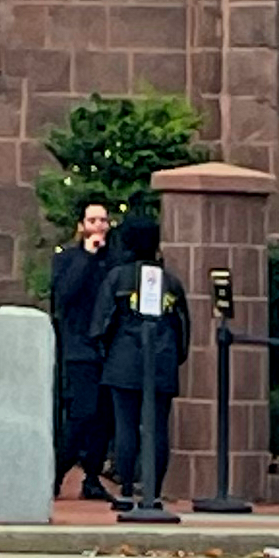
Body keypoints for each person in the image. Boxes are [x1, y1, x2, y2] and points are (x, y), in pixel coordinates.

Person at [95, 208, 187, 511]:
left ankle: (125, 491)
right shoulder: (170, 282)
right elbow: (183, 328)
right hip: (162, 361)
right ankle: (154, 492)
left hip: (124, 360)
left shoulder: (117, 278)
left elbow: (102, 324)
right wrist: (174, 358)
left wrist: (107, 354)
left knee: (126, 426)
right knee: (158, 428)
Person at [48, 197, 118, 506]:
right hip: (79, 346)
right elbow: (64, 295)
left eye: (103, 220)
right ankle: (57, 471)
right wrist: (87, 256)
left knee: (104, 416)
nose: (98, 226)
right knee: (82, 413)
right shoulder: (67, 258)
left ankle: (92, 477)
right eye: (92, 221)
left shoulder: (115, 260)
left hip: (108, 348)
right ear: (81, 226)